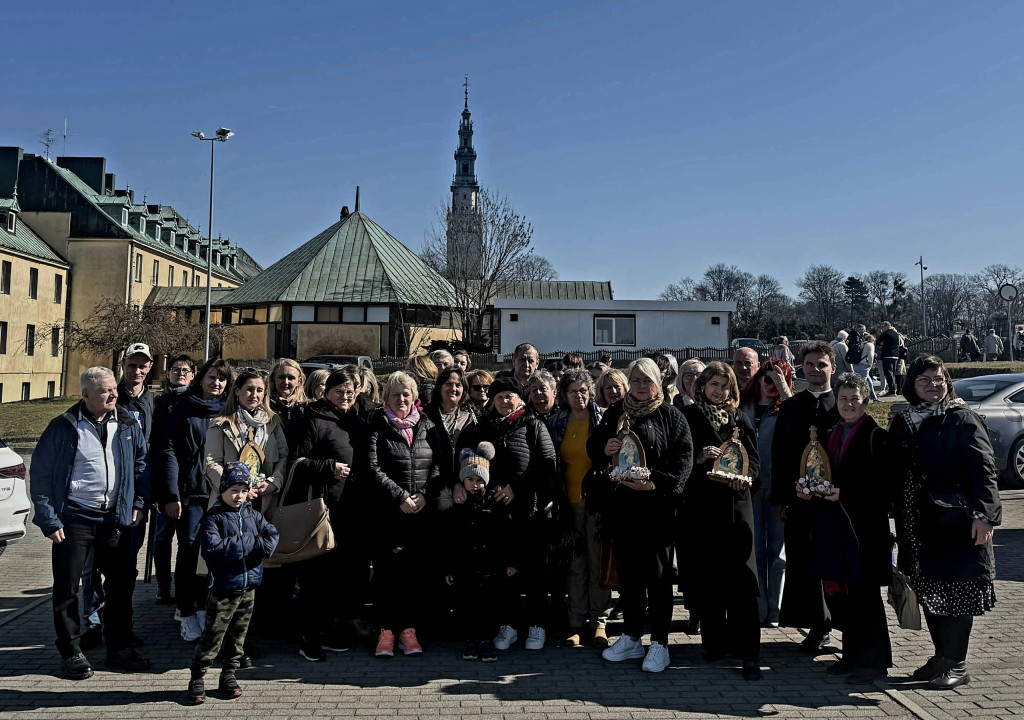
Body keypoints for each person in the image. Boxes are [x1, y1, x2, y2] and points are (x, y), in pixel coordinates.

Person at [888, 355, 1001, 689]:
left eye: (938, 379)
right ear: (912, 385)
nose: (933, 385)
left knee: (958, 591)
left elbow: (984, 470)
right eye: (924, 380)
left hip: (956, 522)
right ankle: (942, 657)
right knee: (930, 590)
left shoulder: (961, 418)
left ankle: (957, 663)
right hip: (917, 524)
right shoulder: (904, 420)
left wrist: (985, 516)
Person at [30, 367, 151, 679]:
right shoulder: (63, 426)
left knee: (120, 587)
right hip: (74, 520)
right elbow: (41, 474)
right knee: (67, 588)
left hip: (114, 519)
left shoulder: (127, 422)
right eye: (104, 390)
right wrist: (49, 518)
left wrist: (138, 502)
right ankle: (71, 652)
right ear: (85, 395)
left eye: (114, 388)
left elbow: (141, 464)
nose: (113, 394)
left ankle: (119, 648)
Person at [588, 358, 693, 673]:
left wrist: (655, 482)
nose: (641, 386)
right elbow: (594, 446)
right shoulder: (616, 413)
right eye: (635, 380)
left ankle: (660, 642)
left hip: (657, 509)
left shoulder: (670, 416)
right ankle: (632, 636)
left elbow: (683, 459)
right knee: (630, 577)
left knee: (658, 578)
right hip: (623, 509)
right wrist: (605, 447)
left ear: (658, 383)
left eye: (647, 380)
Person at [455, 376, 557, 652]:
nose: (503, 402)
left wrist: (516, 488)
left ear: (519, 398)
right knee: (504, 572)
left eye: (508, 396)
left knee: (534, 571)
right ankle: (508, 625)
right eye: (498, 397)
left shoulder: (533, 424)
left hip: (530, 511)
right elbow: (468, 460)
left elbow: (547, 463)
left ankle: (536, 626)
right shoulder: (484, 426)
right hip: (496, 514)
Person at [807, 372, 892, 685]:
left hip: (864, 532)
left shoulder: (876, 436)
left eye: (854, 399)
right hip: (837, 528)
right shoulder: (832, 432)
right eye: (843, 399)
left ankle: (874, 662)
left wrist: (844, 493)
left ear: (865, 402)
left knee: (866, 599)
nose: (848, 404)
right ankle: (852, 656)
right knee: (844, 597)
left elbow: (884, 487)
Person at [680, 362, 762, 680]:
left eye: (725, 386)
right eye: (714, 384)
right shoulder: (688, 417)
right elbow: (678, 461)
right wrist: (699, 458)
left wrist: (746, 477)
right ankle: (714, 643)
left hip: (736, 508)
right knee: (709, 579)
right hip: (702, 511)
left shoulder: (739, 418)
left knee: (743, 581)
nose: (719, 391)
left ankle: (749, 651)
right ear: (701, 385)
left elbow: (755, 462)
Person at [79, 342, 156, 649]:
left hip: (133, 501)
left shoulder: (153, 402)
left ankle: (120, 625)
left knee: (125, 569)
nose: (137, 370)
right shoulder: (108, 396)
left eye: (142, 365)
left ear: (150, 367)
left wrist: (143, 499)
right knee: (92, 568)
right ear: (123, 365)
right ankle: (93, 623)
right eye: (132, 364)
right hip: (100, 502)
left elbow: (147, 457)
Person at [289, 367, 366, 660]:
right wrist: (328, 467)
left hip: (351, 510)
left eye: (350, 392)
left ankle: (334, 630)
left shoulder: (357, 421)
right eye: (339, 391)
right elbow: (297, 461)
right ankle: (309, 637)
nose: (345, 396)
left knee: (342, 577)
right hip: (323, 510)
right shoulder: (314, 420)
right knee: (317, 578)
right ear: (327, 392)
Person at [187, 463, 279, 705]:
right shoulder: (213, 518)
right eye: (234, 491)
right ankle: (197, 677)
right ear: (223, 491)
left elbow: (270, 537)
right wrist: (249, 541)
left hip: (248, 588)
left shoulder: (252, 514)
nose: (239, 496)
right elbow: (214, 550)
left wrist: (256, 545)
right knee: (212, 637)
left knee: (238, 637)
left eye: (243, 490)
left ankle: (229, 675)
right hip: (223, 590)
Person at [367, 371, 444, 657]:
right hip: (388, 513)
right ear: (386, 398)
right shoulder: (377, 425)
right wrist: (400, 497)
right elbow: (372, 467)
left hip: (420, 513)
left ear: (414, 397)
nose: (401, 399)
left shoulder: (427, 425)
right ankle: (386, 632)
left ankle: (409, 631)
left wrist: (425, 495)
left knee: (414, 574)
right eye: (396, 394)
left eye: (406, 394)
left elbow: (439, 465)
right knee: (386, 574)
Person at [770, 340, 839, 653]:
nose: (815, 370)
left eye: (821, 364)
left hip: (835, 502)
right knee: (804, 564)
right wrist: (780, 498)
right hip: (799, 501)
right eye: (809, 364)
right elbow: (780, 455)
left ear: (832, 368)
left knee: (835, 564)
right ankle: (817, 625)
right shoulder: (792, 407)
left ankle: (842, 624)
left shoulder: (843, 404)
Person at [160, 357, 233, 642]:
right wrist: (171, 494)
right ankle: (186, 610)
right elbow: (168, 451)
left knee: (212, 552)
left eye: (222, 378)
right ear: (201, 378)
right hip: (191, 491)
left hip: (221, 492)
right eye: (211, 377)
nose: (217, 383)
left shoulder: (230, 409)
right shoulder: (183, 407)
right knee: (189, 549)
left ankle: (204, 607)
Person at [548, 368, 611, 649]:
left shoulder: (603, 420)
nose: (579, 396)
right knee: (575, 566)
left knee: (598, 565)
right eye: (573, 391)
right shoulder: (556, 422)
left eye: (584, 390)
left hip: (597, 503)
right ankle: (575, 623)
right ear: (564, 394)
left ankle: (600, 622)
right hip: (568, 504)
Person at [440, 443, 516, 663]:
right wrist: (449, 568)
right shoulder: (458, 505)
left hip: (491, 566)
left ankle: (487, 640)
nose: (475, 484)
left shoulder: (496, 502)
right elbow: (451, 540)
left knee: (490, 606)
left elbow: (507, 534)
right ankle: (471, 640)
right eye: (470, 479)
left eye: (479, 480)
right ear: (463, 481)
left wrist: (510, 561)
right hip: (466, 566)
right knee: (467, 605)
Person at [738, 359, 793, 629]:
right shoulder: (743, 406)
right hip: (749, 487)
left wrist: (784, 390)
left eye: (780, 380)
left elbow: (799, 417)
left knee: (777, 552)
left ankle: (776, 609)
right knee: (755, 550)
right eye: (769, 379)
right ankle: (758, 608)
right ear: (759, 378)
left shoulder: (786, 409)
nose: (772, 385)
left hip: (776, 488)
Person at [151, 355, 196, 605]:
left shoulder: (194, 401)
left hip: (188, 480)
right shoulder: (161, 402)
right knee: (162, 537)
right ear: (168, 373)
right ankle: (163, 586)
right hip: (164, 480)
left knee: (186, 540)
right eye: (176, 369)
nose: (180, 373)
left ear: (193, 374)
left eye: (185, 370)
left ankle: (182, 587)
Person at [425, 367, 477, 483]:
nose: (453, 389)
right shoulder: (426, 416)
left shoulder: (473, 417)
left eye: (458, 385)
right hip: (434, 483)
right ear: (440, 387)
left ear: (464, 389)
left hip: (464, 483)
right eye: (448, 384)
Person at [269, 359, 307, 449]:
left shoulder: (306, 408)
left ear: (299, 381)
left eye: (291, 378)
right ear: (273, 379)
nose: (286, 382)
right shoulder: (265, 406)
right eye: (281, 377)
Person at [877, 322, 901, 396]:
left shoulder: (885, 334)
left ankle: (892, 390)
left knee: (888, 373)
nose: (882, 328)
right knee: (892, 373)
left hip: (887, 355)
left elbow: (878, 342)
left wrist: (882, 343)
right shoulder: (896, 334)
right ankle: (893, 389)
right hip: (895, 355)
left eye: (883, 327)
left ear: (887, 326)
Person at [854, 333, 878, 402]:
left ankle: (874, 398)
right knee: (862, 383)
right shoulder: (870, 345)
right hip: (865, 365)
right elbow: (870, 355)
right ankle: (859, 398)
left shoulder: (863, 344)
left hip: (858, 364)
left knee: (869, 383)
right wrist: (871, 365)